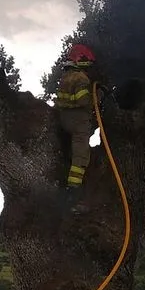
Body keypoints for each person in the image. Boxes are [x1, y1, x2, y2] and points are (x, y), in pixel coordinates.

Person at [53, 43, 97, 212]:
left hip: (63, 119)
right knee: (81, 156)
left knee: (69, 153)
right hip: (78, 121)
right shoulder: (81, 78)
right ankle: (73, 191)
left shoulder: (65, 77)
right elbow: (83, 101)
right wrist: (96, 98)